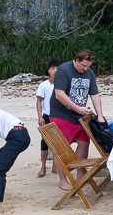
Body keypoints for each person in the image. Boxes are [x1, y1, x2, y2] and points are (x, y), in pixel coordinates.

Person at [49, 49, 105, 191]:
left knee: (84, 144)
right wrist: (76, 108)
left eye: (88, 66)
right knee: (61, 148)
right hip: (62, 114)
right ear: (77, 60)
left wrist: (100, 115)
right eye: (83, 66)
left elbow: (95, 94)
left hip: (80, 116)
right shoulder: (64, 70)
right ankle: (63, 180)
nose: (85, 69)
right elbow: (59, 94)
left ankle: (80, 177)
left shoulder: (89, 73)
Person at [36, 60, 60, 177]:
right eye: (53, 69)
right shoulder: (44, 85)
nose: (55, 71)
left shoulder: (63, 83)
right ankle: (43, 167)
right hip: (47, 115)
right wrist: (40, 116)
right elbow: (39, 101)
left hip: (60, 115)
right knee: (44, 142)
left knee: (58, 141)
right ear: (49, 71)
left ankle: (55, 166)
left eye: (57, 68)